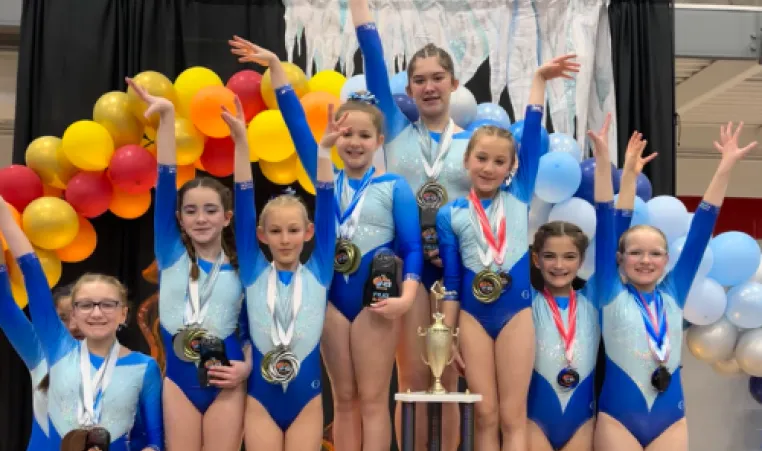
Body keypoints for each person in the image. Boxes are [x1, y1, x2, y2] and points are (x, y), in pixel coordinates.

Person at [228, 37, 424, 451]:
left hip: (377, 302)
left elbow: (412, 249)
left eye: (364, 135)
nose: (353, 142)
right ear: (336, 135)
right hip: (331, 300)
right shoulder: (324, 183)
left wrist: (406, 298)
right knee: (344, 400)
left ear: (378, 140)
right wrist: (276, 68)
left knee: (374, 400)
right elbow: (298, 124)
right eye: (346, 133)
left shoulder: (393, 187)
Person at [436, 55, 579, 451]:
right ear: (467, 161)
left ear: (512, 168)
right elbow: (451, 282)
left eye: (499, 161)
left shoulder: (517, 196)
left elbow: (531, 134)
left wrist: (537, 81)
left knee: (514, 415)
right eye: (481, 158)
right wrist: (446, 337)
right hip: (472, 316)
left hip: (516, 315)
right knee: (485, 414)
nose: (488, 167)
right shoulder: (451, 215)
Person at [347, 0, 474, 446]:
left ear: (453, 83)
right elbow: (375, 63)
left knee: (457, 380)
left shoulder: (475, 143)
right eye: (418, 79)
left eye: (437, 77)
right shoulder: (398, 131)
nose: (428, 86)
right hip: (412, 271)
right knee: (414, 378)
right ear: (410, 88)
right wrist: (359, 10)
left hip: (461, 270)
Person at [593, 122, 756, 451]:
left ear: (667, 260)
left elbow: (701, 230)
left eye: (655, 253)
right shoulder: (610, 291)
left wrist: (725, 167)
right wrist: (615, 170)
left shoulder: (674, 291)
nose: (645, 260)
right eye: (635, 253)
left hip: (671, 420)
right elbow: (606, 218)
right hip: (617, 420)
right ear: (620, 259)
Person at [127, 77, 251, 451]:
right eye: (191, 211)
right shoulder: (170, 253)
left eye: (211, 210)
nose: (201, 218)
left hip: (226, 378)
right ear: (179, 218)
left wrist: (242, 143)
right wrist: (165, 120)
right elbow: (164, 182)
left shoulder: (242, 259)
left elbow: (253, 330)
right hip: (179, 382)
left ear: (227, 217)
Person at [526, 120, 656, 451]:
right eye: (550, 257)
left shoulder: (595, 297)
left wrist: (620, 173)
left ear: (581, 260)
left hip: (582, 424)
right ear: (537, 260)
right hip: (531, 422)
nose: (559, 265)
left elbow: (616, 222)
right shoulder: (526, 304)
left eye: (569, 257)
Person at [0, 197, 163, 451]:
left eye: (108, 304)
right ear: (73, 314)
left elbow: (154, 438)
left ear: (123, 314)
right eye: (86, 305)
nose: (97, 313)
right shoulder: (53, 350)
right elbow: (31, 272)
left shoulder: (144, 367)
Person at [223, 88, 335, 451]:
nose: (285, 240)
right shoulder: (254, 271)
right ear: (261, 235)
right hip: (260, 399)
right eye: (275, 231)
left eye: (293, 230)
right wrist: (241, 142)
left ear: (309, 232)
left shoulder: (319, 271)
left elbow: (327, 201)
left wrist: (322, 153)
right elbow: (242, 202)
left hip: (307, 400)